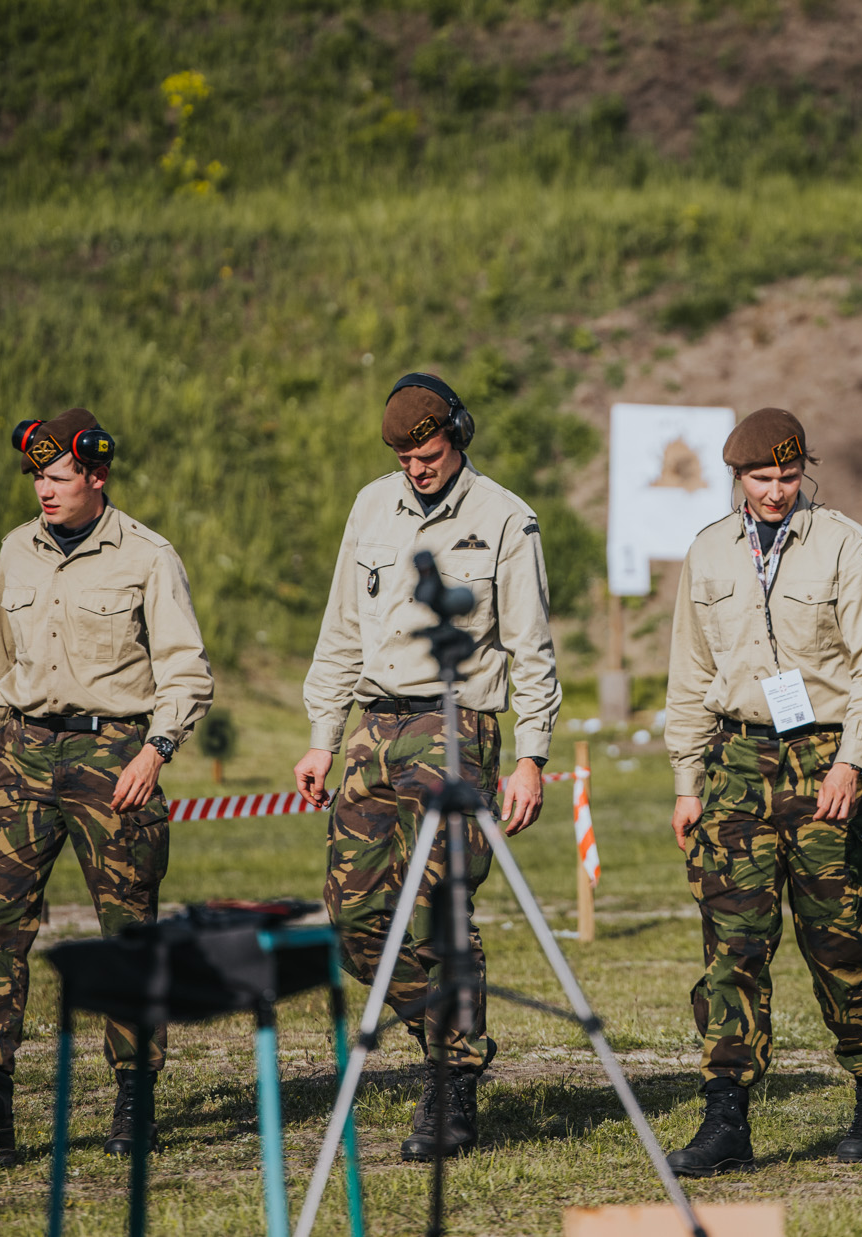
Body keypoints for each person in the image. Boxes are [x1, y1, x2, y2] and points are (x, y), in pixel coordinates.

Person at [0, 409, 213, 1165]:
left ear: (96, 478)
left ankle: (135, 1100)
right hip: (22, 755)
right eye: (38, 476)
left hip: (115, 761)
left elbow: (187, 670)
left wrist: (156, 750)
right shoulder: (17, 551)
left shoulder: (146, 554)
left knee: (127, 934)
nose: (44, 488)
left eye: (59, 476)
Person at [294, 374, 561, 1161]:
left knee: (441, 912)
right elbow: (342, 627)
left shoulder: (507, 519)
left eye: (430, 450)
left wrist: (532, 755)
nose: (418, 466)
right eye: (406, 456)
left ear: (459, 435)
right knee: (353, 917)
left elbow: (532, 649)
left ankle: (451, 1079)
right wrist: (322, 733)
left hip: (458, 729)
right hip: (372, 731)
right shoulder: (370, 506)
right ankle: (448, 1032)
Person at [663, 407, 862, 1175]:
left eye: (789, 476)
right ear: (737, 478)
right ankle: (726, 1116)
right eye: (762, 478)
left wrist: (853, 762)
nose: (776, 491)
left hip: (823, 759)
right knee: (732, 944)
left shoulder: (842, 543)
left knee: (839, 937)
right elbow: (691, 675)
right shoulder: (707, 553)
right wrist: (687, 780)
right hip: (736, 762)